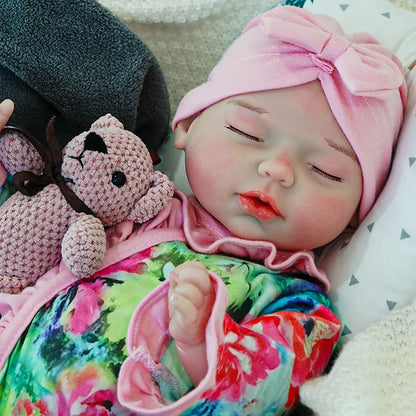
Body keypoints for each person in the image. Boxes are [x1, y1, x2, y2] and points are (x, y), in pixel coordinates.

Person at [0, 5, 407, 416]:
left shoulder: (298, 306)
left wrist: (203, 342)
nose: (277, 169)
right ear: (188, 126)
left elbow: (262, 391)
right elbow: (29, 238)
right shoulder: (129, 201)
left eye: (324, 170)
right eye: (246, 133)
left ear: (357, 214)